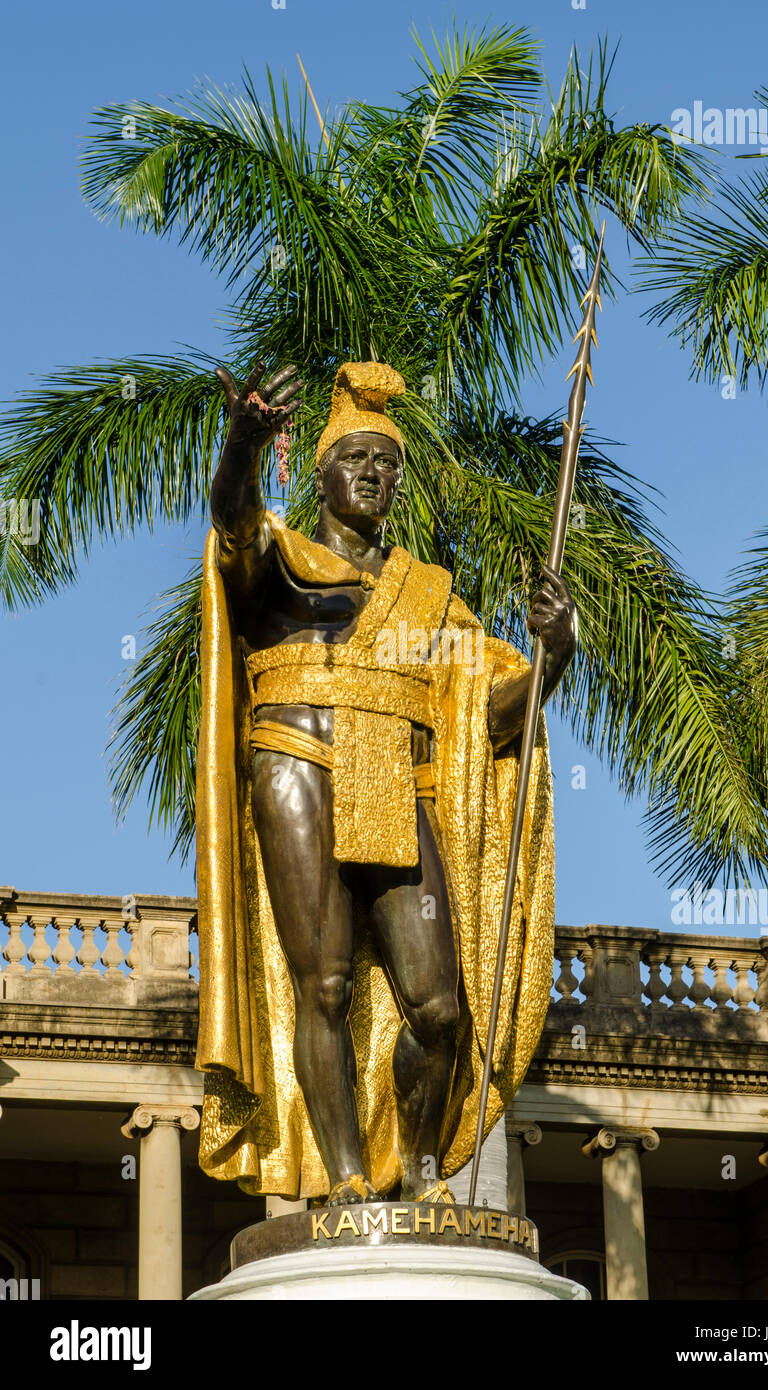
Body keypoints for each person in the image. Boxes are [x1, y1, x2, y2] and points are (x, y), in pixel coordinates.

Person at [195, 359, 576, 1206]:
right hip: (294, 763)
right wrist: (242, 444)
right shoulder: (281, 563)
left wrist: (552, 654)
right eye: (355, 458)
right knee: (321, 986)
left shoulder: (428, 600)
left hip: (393, 782)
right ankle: (342, 1181)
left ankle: (421, 1169)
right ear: (321, 473)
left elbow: (492, 716)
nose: (372, 473)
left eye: (387, 462)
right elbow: (232, 522)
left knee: (439, 1009)